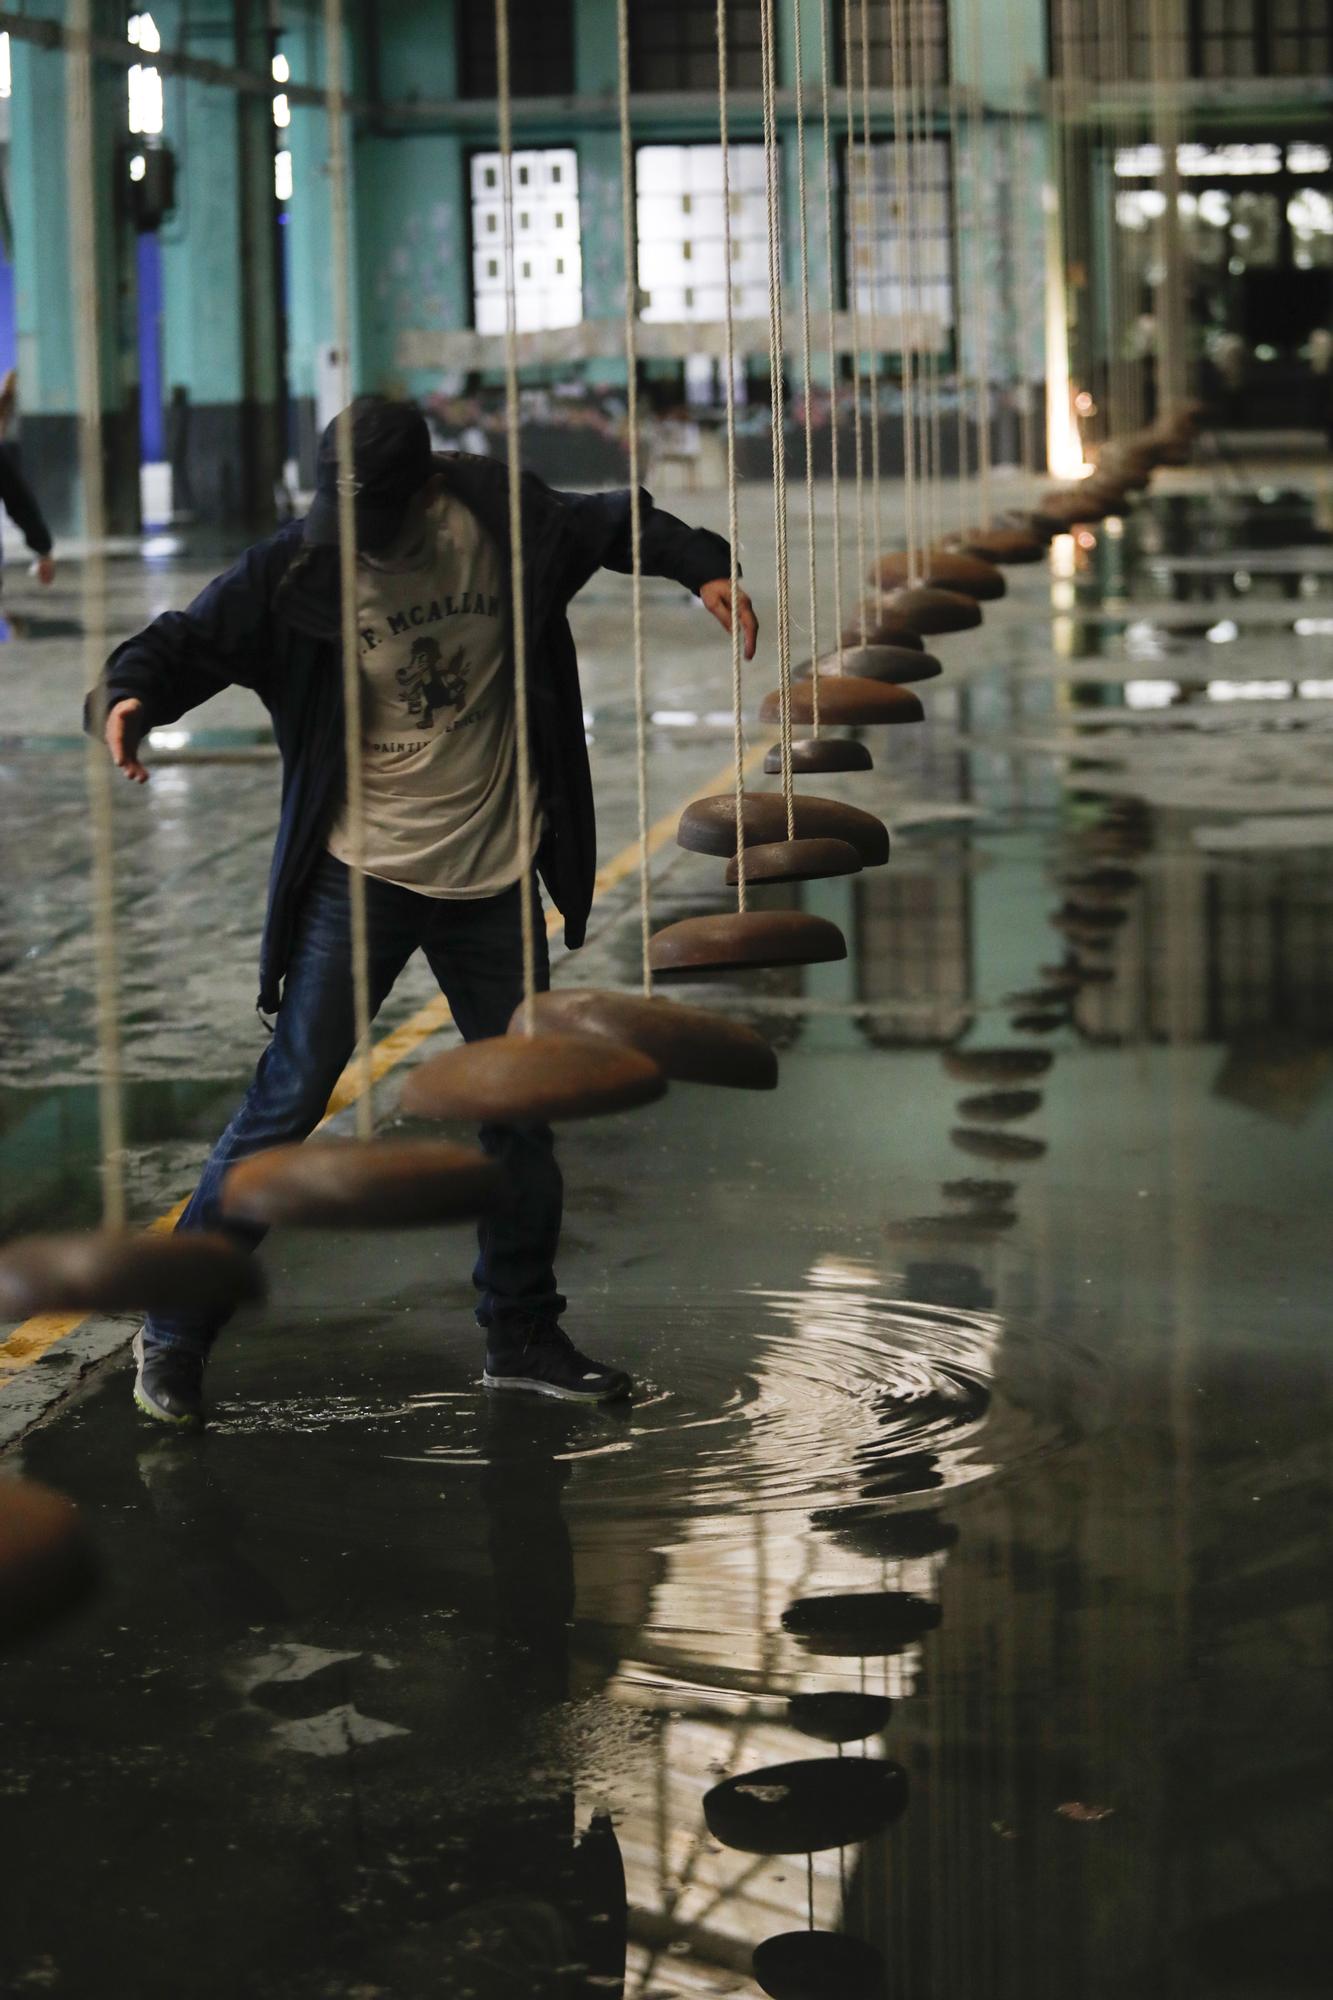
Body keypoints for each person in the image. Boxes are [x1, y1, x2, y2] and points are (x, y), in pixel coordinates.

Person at [92, 395, 758, 1430]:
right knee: (288, 1102)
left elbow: (610, 518)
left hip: (490, 873)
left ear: (423, 493)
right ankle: (176, 1330)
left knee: (520, 1109)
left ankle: (521, 1335)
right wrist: (127, 697)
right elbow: (184, 641)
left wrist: (703, 563)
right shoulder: (300, 570)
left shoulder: (498, 519)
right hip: (360, 871)